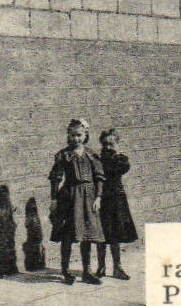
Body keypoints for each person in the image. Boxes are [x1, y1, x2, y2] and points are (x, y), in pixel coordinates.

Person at [48, 118, 107, 284]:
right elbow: (55, 178)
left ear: (85, 135)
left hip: (88, 197)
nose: (76, 139)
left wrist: (98, 197)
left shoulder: (91, 155)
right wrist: (53, 199)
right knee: (68, 234)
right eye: (72, 135)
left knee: (87, 235)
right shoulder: (64, 155)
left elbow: (99, 177)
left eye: (79, 135)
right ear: (68, 135)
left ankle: (87, 271)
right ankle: (66, 271)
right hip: (70, 197)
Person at [97, 128, 138, 280]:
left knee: (115, 234)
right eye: (105, 144)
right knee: (100, 235)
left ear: (117, 144)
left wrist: (115, 155)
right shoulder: (98, 159)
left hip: (116, 200)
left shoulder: (120, 159)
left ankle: (117, 267)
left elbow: (121, 168)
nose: (108, 147)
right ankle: (101, 267)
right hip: (101, 199)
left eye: (111, 144)